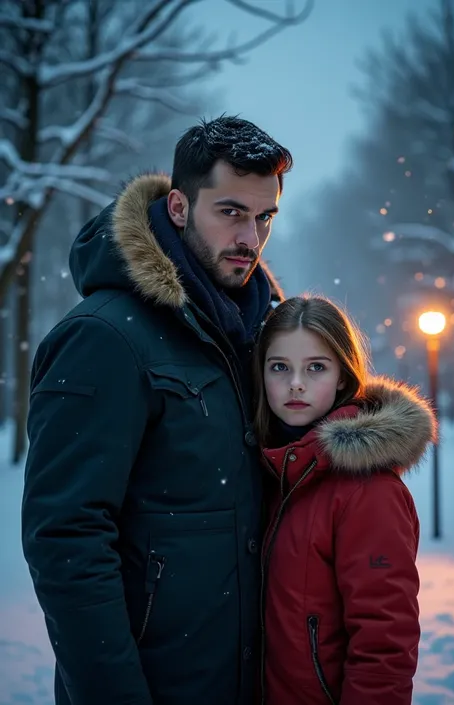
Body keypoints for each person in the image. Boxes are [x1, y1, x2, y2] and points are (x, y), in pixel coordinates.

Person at [21, 115, 292, 705]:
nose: (251, 236)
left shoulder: (253, 334)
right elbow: (66, 539)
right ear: (177, 207)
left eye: (263, 216)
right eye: (230, 212)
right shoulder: (103, 338)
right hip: (155, 685)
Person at [253, 295, 437, 705]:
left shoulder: (368, 490)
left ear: (341, 376)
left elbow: (384, 643)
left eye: (315, 367)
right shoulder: (267, 472)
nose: (295, 383)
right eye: (279, 367)